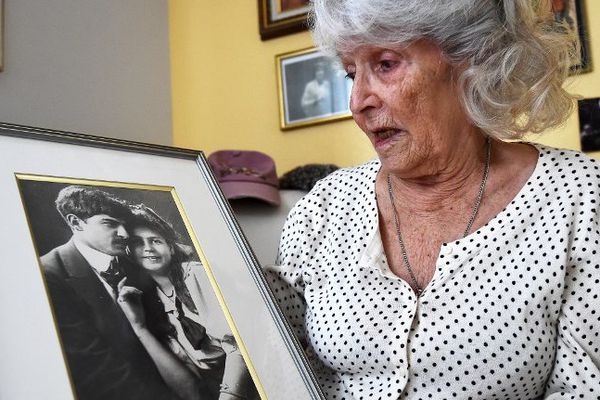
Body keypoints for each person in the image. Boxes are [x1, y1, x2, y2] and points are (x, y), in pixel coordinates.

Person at [266, 0, 600, 399]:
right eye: (351, 73)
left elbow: (581, 389)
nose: (357, 103)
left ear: (470, 60)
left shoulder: (577, 196)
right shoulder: (324, 206)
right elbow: (269, 347)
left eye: (386, 65)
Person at [40, 185, 179, 400]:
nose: (124, 234)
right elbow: (95, 368)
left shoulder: (134, 261)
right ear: (76, 223)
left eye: (124, 225)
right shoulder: (48, 275)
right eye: (109, 224)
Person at [117, 204, 255, 400]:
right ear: (130, 253)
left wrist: (229, 396)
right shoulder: (149, 299)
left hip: (244, 377)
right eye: (138, 243)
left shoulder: (196, 275)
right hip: (212, 389)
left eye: (155, 241)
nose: (148, 248)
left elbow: (238, 344)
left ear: (170, 248)